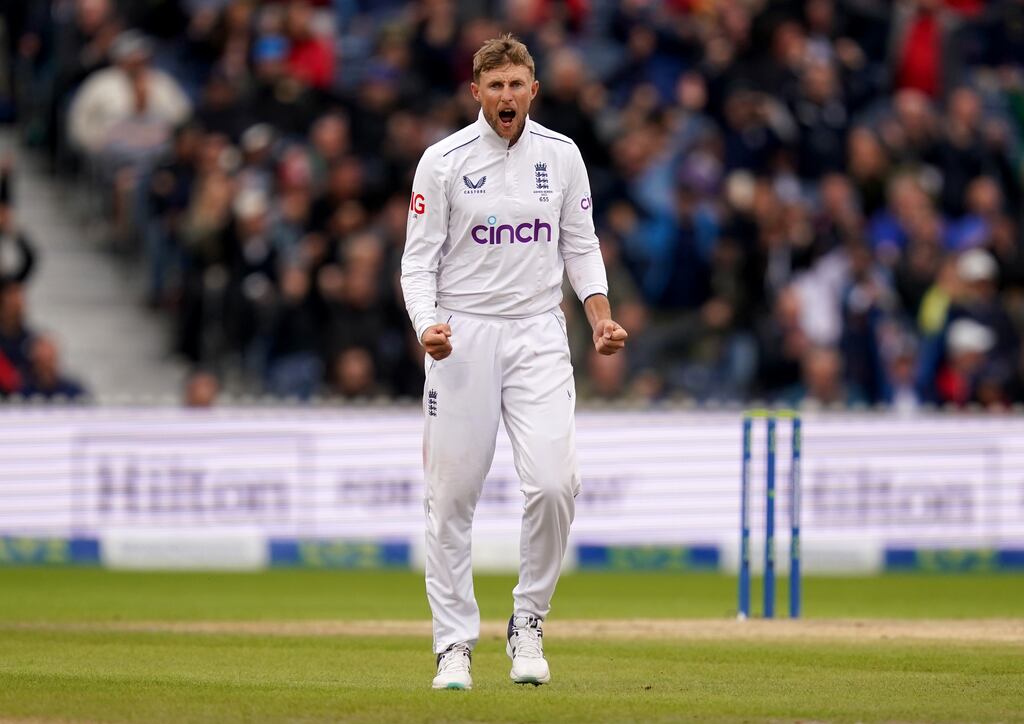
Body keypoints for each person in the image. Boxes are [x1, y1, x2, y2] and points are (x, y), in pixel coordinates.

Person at [400, 34, 627, 691]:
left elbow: (580, 244)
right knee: (451, 498)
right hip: (462, 334)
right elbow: (417, 261)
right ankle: (453, 644)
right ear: (476, 91)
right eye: (495, 85)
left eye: (516, 85)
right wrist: (427, 326)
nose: (506, 96)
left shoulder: (562, 155)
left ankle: (528, 620)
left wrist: (599, 316)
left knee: (555, 486)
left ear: (534, 90)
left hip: (538, 333)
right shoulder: (443, 161)